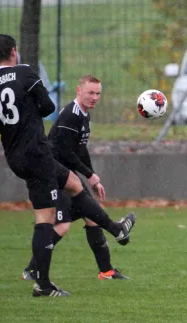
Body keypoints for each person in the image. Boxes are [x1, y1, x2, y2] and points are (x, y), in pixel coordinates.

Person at [0, 34, 135, 297]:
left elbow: (2, 122)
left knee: (75, 184)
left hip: (15, 156)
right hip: (36, 152)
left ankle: (115, 229)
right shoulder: (24, 72)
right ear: (12, 51)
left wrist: (13, 124)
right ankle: (42, 284)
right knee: (46, 220)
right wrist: (30, 111)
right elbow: (47, 107)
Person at [21, 75, 129, 281]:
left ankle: (106, 271)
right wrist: (89, 175)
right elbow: (64, 151)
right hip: (54, 174)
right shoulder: (72, 114)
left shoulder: (83, 115)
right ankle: (32, 269)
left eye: (98, 93)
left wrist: (93, 177)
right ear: (79, 90)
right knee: (62, 225)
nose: (95, 97)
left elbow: (80, 150)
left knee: (93, 217)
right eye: (90, 92)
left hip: (68, 175)